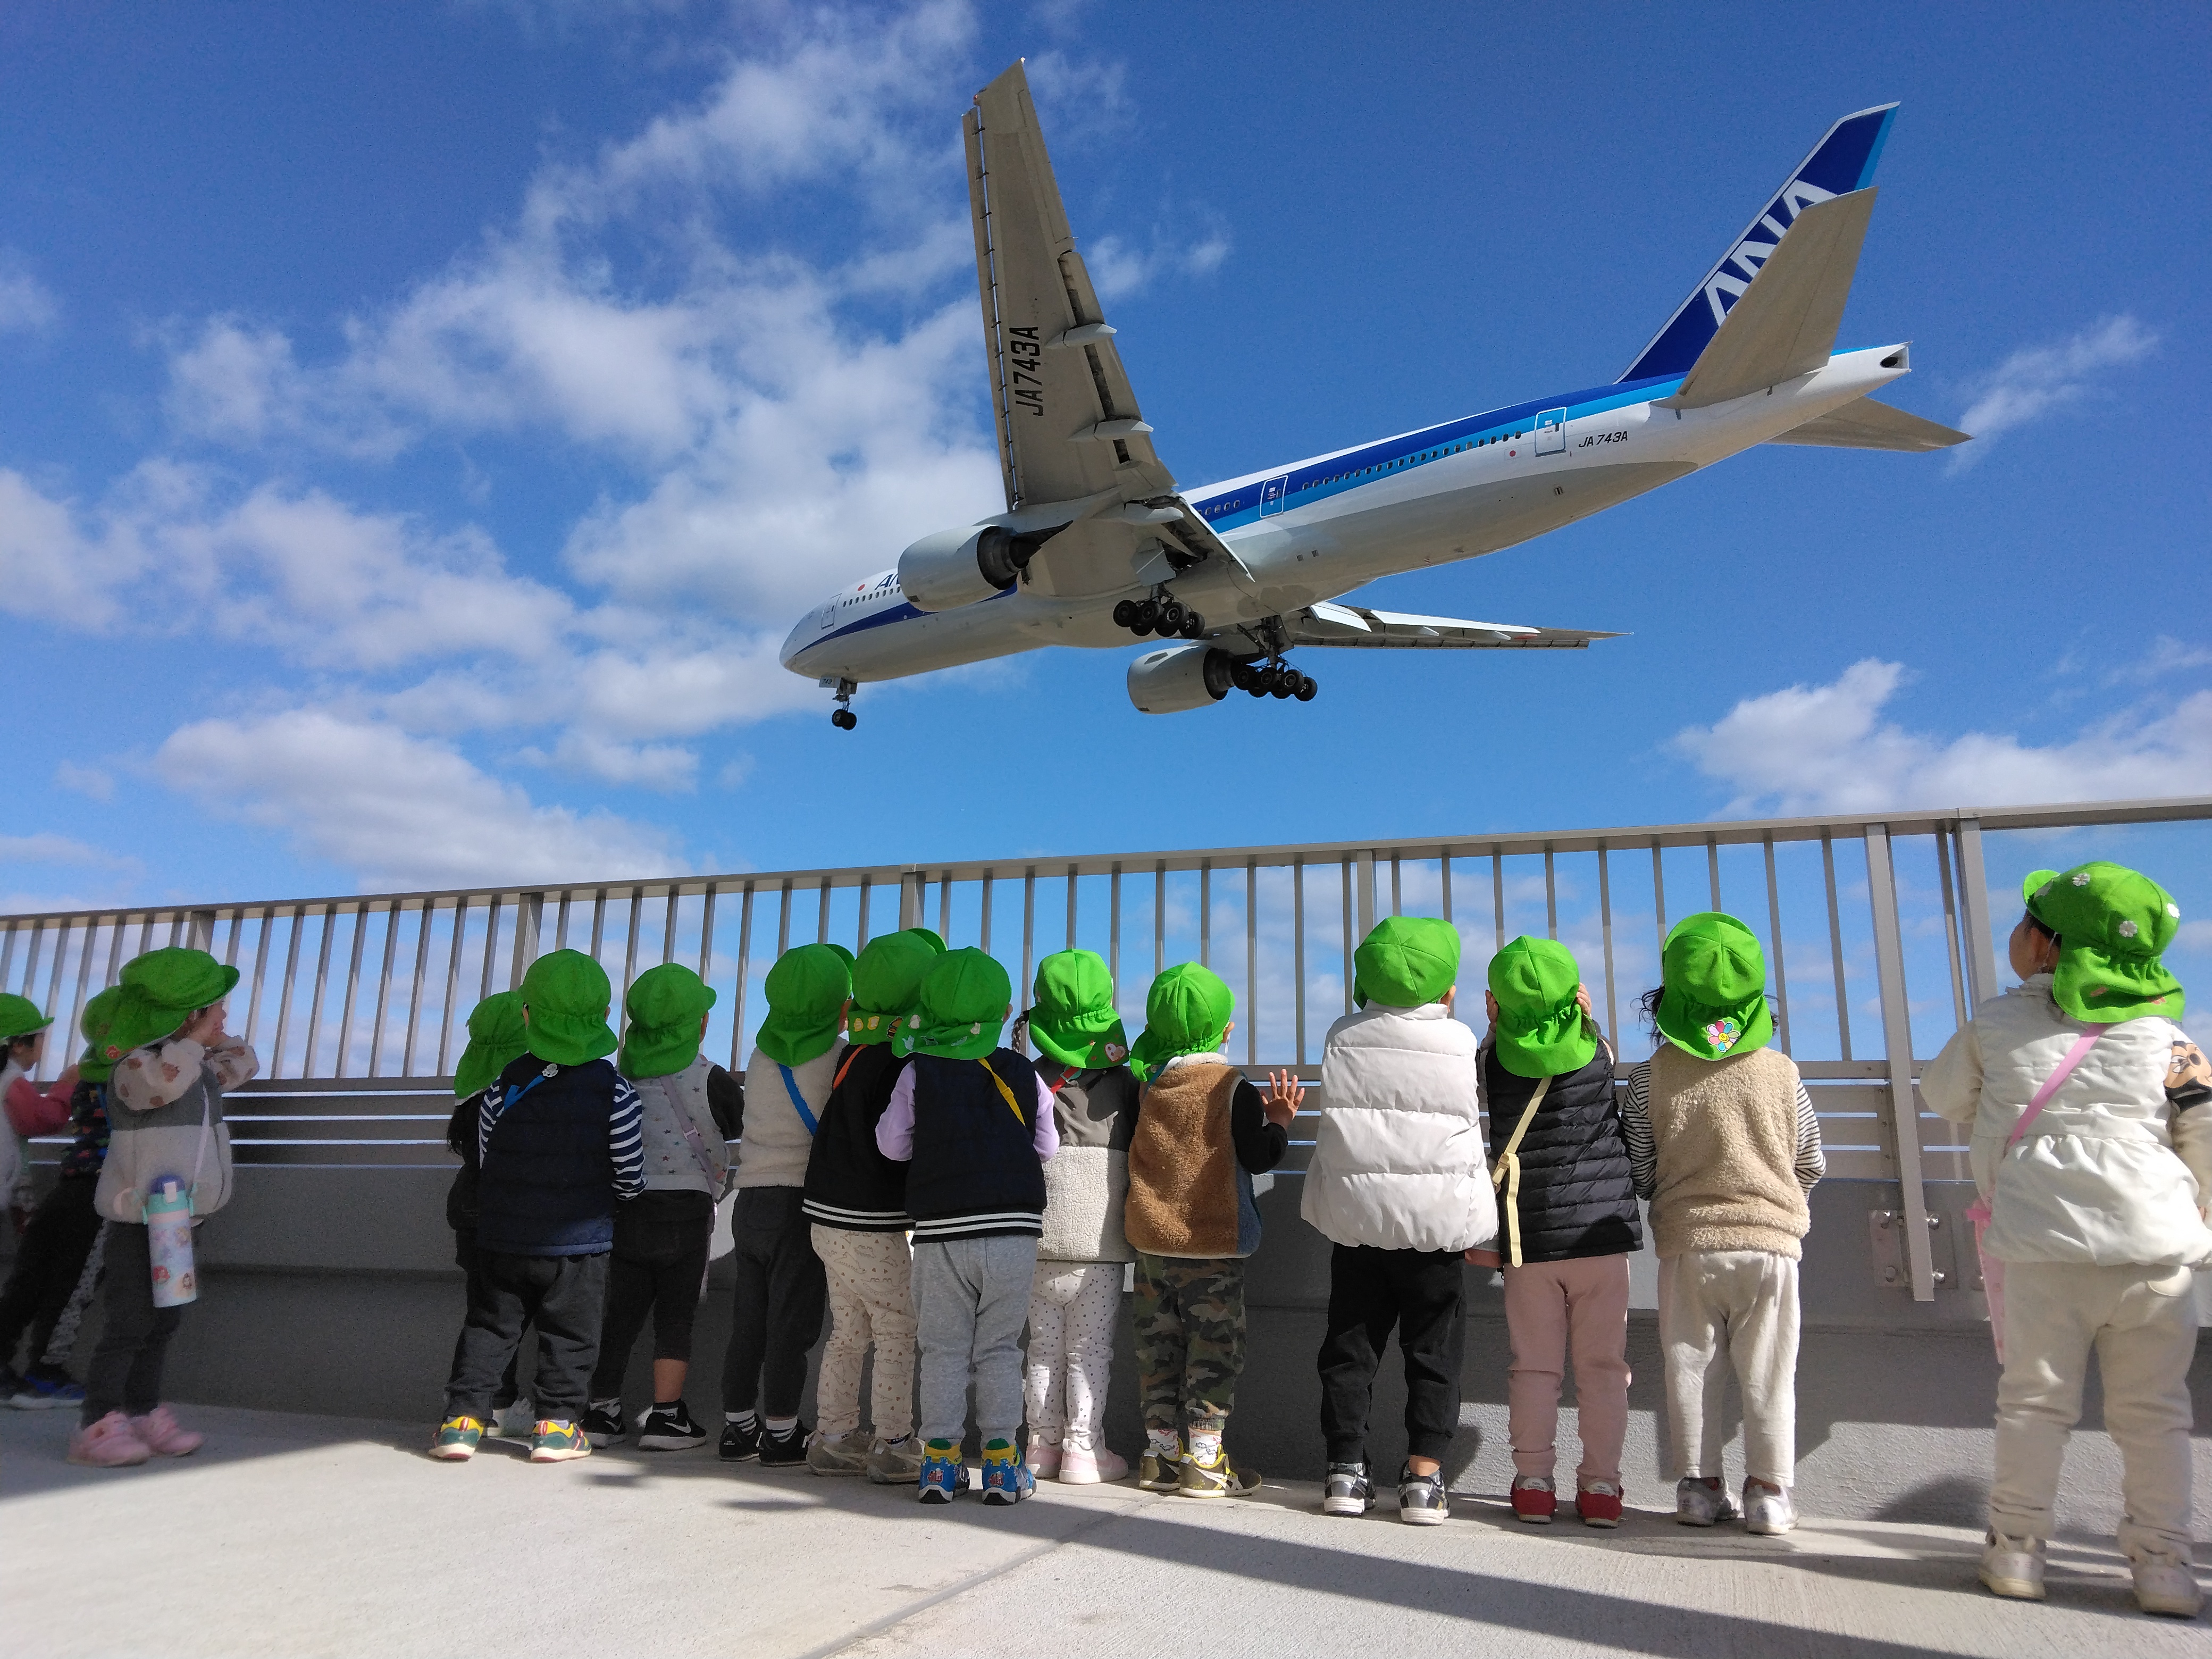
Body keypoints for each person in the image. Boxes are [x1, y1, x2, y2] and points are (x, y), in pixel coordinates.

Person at [1922, 864, 2209, 1619]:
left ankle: (2016, 1550)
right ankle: (2164, 1565)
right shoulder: (2169, 1039)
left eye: (2026, 922)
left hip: (2041, 1243)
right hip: (2155, 1252)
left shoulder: (1995, 1023)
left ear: (2048, 948)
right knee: (2156, 1413)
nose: (2015, 934)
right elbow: (2203, 1128)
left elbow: (1942, 1095)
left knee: (2033, 1403)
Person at [1620, 912, 1823, 1535]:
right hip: (1770, 1244)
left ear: (1666, 998)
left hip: (1688, 1244)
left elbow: (1640, 1168)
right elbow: (1810, 1162)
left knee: (1689, 1369)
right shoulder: (1782, 1073)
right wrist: (1776, 1203)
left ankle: (1697, 1489)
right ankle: (1768, 1493)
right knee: (1769, 1373)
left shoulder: (1648, 1078)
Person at [1302, 917, 1492, 1526]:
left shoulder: (1341, 1035)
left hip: (1358, 1223)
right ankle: (1423, 1481)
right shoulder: (1460, 1040)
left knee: (1349, 1351)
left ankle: (1344, 1471)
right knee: (1433, 1354)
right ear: (1447, 990)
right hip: (1434, 1230)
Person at [430, 949, 641, 1465]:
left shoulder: (505, 1083)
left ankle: (461, 1422)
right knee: (570, 1335)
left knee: (489, 1327)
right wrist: (616, 1200)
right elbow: (629, 1170)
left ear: (527, 1015)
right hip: (579, 1242)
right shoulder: (615, 1090)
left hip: (503, 1237)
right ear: (604, 1016)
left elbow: (487, 1157)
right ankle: (558, 1429)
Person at [873, 948, 1058, 1505]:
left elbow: (891, 1146)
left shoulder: (915, 1071)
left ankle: (939, 1464)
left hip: (940, 1230)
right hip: (1012, 1228)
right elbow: (1047, 1147)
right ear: (1003, 1012)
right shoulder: (1023, 1072)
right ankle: (1001, 1466)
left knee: (943, 1350)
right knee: (999, 1348)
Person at [1471, 937, 1640, 1528]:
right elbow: (1599, 1052)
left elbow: (1484, 1084)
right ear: (1574, 997)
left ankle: (1533, 1484)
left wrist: (1496, 1029)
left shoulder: (1491, 1062)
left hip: (1530, 1240)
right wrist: (1585, 1018)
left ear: (1494, 1002)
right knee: (1604, 1368)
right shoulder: (1599, 1053)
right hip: (1600, 1239)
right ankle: (1601, 1487)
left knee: (1535, 1368)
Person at [72, 949, 260, 1468]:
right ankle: (97, 1423)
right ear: (187, 1015)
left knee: (163, 1323)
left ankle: (142, 1411)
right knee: (129, 1323)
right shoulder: (135, 1068)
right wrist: (192, 1039)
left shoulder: (195, 1066)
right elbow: (161, 1084)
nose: (225, 1016)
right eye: (216, 1007)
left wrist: (206, 1037)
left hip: (179, 1219)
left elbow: (244, 1061)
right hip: (139, 1220)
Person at [1124, 962, 1299, 1498]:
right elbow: (1258, 1155)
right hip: (1212, 1247)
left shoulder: (1149, 1085)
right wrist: (1280, 1122)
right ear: (1225, 1029)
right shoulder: (1230, 1087)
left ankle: (1159, 1456)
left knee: (1157, 1351)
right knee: (1213, 1352)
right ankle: (1204, 1461)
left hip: (1153, 1245)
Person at [799, 928, 942, 1482]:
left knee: (848, 1330)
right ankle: (894, 1442)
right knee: (897, 1327)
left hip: (826, 1214)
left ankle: (834, 1437)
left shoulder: (854, 1052)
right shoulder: (904, 1061)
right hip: (871, 1220)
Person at [582, 963, 741, 1452]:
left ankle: (601, 1411)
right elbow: (741, 1129)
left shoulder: (618, 1080)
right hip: (689, 1210)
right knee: (676, 1317)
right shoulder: (711, 1079)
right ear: (699, 1025)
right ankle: (667, 1417)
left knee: (620, 1314)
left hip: (627, 1207)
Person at [1018, 948, 1138, 1485]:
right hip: (1099, 1246)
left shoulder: (1025, 1078)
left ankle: (1039, 1446)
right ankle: (1083, 1450)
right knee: (1088, 1352)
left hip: (1038, 1239)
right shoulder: (1127, 1083)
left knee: (1041, 1350)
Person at [722, 942, 843, 1467]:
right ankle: (781, 1432)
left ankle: (737, 1428)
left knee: (748, 1322)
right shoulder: (837, 1056)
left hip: (749, 1199)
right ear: (839, 1005)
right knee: (791, 1326)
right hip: (799, 1203)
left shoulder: (760, 1055)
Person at [0, 989, 114, 1410]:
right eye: (38, 1039)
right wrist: (65, 1087)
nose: (42, 1048)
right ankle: (37, 1372)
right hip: (95, 1189)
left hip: (59, 1186)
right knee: (64, 1281)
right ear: (18, 1045)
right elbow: (42, 1119)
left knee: (26, 1279)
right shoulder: (10, 1080)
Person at [443, 992, 534, 1437]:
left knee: (486, 1314)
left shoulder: (472, 1088)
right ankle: (500, 1404)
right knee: (515, 1316)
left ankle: (475, 1405)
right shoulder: (522, 1087)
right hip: (515, 1216)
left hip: (469, 1212)